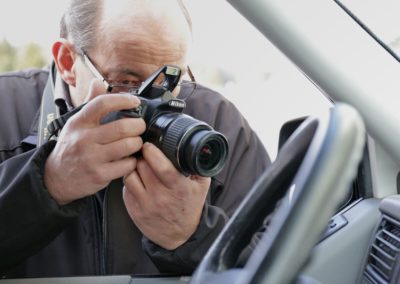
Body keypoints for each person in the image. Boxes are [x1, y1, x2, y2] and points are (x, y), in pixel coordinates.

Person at [0, 0, 270, 278]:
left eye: (169, 80)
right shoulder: (5, 108)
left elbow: (279, 260)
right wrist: (49, 183)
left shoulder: (220, 125)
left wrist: (193, 236)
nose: (154, 100)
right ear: (68, 62)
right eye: (128, 83)